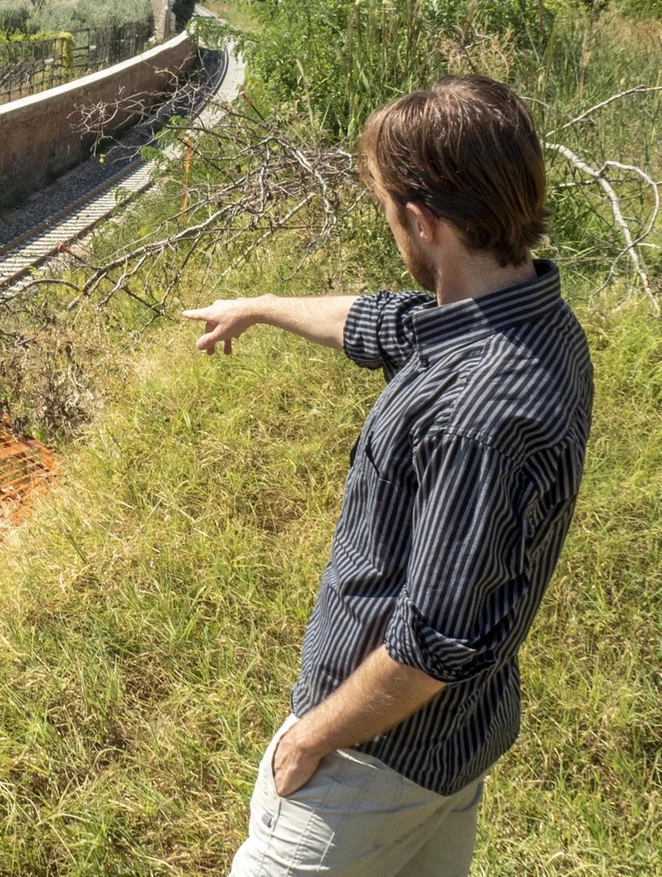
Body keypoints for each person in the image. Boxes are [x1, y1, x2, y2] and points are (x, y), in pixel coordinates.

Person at [183, 75, 593, 876]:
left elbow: (431, 644)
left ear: (422, 219)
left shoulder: (479, 412)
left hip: (370, 763)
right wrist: (261, 305)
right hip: (454, 745)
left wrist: (307, 740)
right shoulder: (532, 319)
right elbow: (382, 322)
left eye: (387, 209)